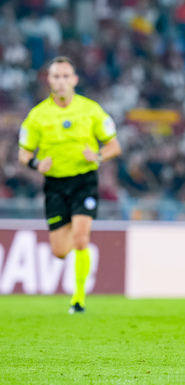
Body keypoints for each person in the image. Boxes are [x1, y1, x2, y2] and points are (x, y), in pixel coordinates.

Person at [18, 56, 121, 314]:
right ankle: (75, 282)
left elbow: (114, 146)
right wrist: (35, 164)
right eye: (56, 77)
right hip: (54, 185)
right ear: (49, 80)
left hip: (83, 181)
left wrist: (97, 156)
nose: (61, 82)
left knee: (80, 238)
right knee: (60, 251)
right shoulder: (37, 115)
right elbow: (23, 152)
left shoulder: (91, 109)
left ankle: (78, 298)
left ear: (74, 79)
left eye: (66, 76)